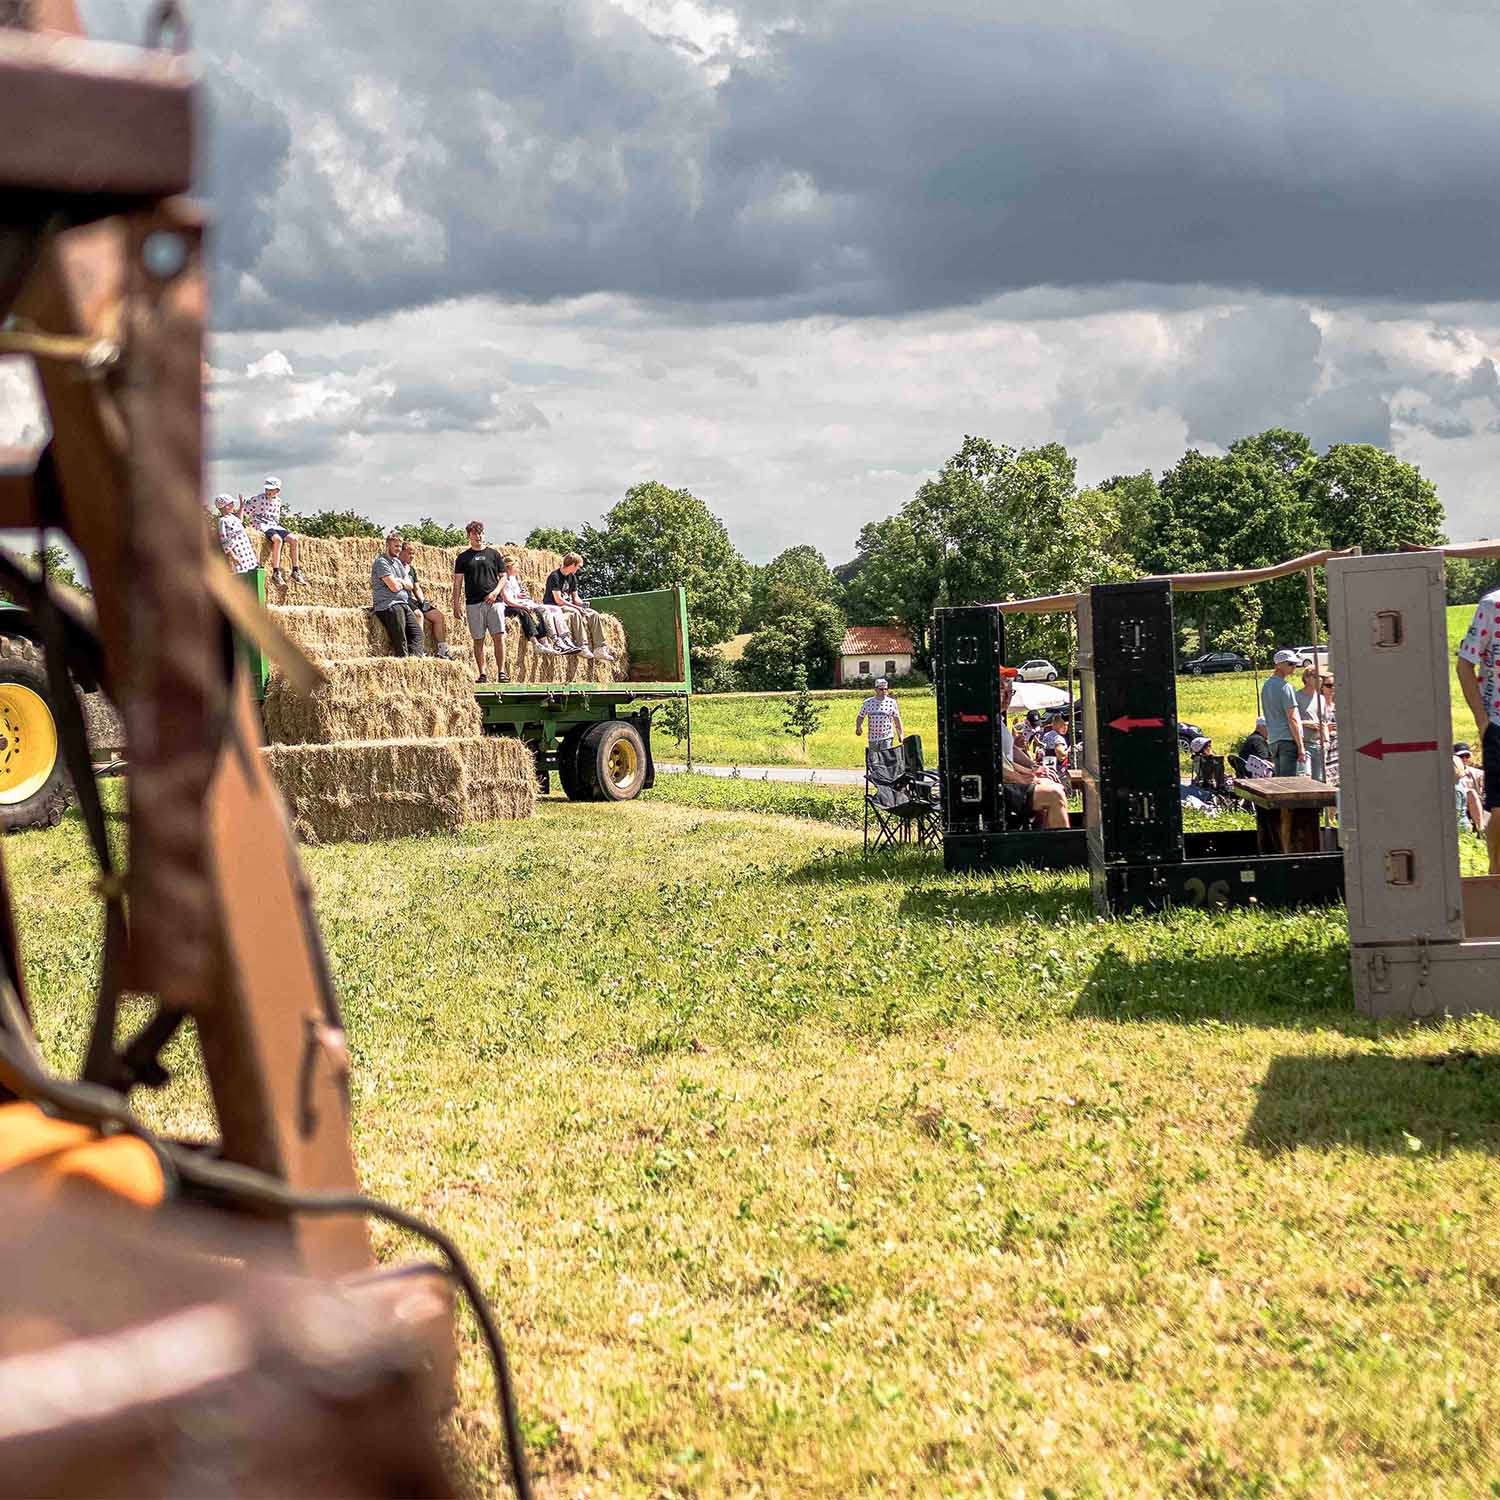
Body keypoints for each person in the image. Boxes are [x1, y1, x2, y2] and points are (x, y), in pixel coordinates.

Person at [1457, 587, 1500, 874]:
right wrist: (1482, 721)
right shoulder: (1492, 605)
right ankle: (1495, 878)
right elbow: (1464, 665)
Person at [998, 668, 1067, 829]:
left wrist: (1034, 768)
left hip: (1009, 783)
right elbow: (994, 767)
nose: (1008, 697)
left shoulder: (998, 719)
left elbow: (1007, 758)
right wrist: (1026, 777)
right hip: (1001, 790)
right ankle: (1062, 851)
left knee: (1055, 785)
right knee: (1055, 795)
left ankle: (1042, 840)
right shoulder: (983, 722)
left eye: (1011, 691)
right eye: (1002, 689)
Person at [451, 520, 509, 683]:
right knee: (478, 639)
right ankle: (482, 673)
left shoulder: (494, 554)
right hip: (473, 604)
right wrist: (456, 604)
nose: (479, 536)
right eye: (475, 533)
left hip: (494, 602)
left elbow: (503, 577)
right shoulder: (463, 558)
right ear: (469, 536)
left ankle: (501, 672)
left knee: (499, 636)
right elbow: (457, 583)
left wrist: (495, 592)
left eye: (481, 533)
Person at [543, 553, 617, 661]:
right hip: (554, 607)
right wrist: (576, 607)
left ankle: (600, 648)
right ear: (573, 564)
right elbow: (558, 600)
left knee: (593, 614)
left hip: (568, 605)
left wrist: (582, 604)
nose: (579, 568)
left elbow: (575, 597)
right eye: (579, 566)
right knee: (575, 612)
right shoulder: (554, 576)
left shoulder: (572, 577)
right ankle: (582, 645)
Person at [498, 556, 567, 657]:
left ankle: (544, 642)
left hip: (514, 603)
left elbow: (512, 595)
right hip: (504, 606)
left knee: (537, 611)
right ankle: (535, 643)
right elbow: (507, 600)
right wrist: (523, 606)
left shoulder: (512, 578)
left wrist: (520, 596)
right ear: (509, 568)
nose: (518, 570)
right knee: (523, 612)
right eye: (516, 567)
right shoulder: (501, 579)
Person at [394, 540, 453, 659]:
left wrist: (423, 601)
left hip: (412, 599)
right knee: (418, 615)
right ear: (402, 552)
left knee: (438, 616)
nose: (413, 556)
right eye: (410, 553)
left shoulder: (411, 569)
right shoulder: (394, 566)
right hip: (401, 599)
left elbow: (416, 587)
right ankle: (419, 649)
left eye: (414, 554)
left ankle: (442, 650)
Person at [241, 475, 303, 587]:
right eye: (267, 489)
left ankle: (295, 570)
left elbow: (276, 518)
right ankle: (276, 572)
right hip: (261, 524)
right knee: (278, 540)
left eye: (271, 489)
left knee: (294, 540)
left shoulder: (278, 501)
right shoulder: (258, 498)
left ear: (277, 490)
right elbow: (245, 510)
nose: (268, 491)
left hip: (274, 525)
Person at [371, 530, 424, 658]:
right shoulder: (381, 562)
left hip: (402, 604)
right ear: (387, 545)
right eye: (396, 546)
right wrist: (401, 582)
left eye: (400, 546)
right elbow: (394, 587)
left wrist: (399, 581)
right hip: (388, 605)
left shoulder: (398, 563)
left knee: (418, 634)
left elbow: (410, 585)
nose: (398, 549)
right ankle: (404, 665)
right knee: (401, 639)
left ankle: (415, 662)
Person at [1260, 649, 1306, 777]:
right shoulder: (1286, 687)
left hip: (1274, 740)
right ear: (1278, 665)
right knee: (1290, 784)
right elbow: (1292, 718)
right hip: (1288, 740)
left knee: (1280, 781)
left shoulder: (1266, 686)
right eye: (1290, 664)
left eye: (1295, 664)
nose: (1294, 667)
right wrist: (1300, 746)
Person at [855, 677, 903, 750]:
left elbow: (897, 719)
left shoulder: (891, 702)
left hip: (887, 737)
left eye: (886, 689)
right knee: (874, 760)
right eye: (881, 689)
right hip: (873, 738)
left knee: (886, 758)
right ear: (876, 689)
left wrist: (901, 734)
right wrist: (858, 727)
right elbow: (860, 716)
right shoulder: (868, 702)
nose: (884, 691)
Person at [214, 494, 258, 574]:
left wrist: (242, 506)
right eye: (232, 504)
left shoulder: (232, 517)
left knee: (252, 571)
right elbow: (225, 540)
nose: (234, 505)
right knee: (242, 573)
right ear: (226, 506)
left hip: (246, 550)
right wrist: (233, 556)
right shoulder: (223, 521)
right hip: (238, 552)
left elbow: (240, 520)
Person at [1295, 666, 1325, 779]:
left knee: (1320, 780)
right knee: (1305, 778)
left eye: (1322, 677)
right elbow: (1289, 719)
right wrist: (1305, 723)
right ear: (1306, 678)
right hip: (1304, 744)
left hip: (1319, 745)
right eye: (1316, 677)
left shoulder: (1321, 699)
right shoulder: (1296, 697)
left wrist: (1326, 741)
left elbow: (1324, 721)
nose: (1320, 680)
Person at [1455, 744, 1486, 834]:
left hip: (1476, 808)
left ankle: (1481, 829)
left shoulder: (1478, 774)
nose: (1464, 759)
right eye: (1461, 756)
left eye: (1467, 756)